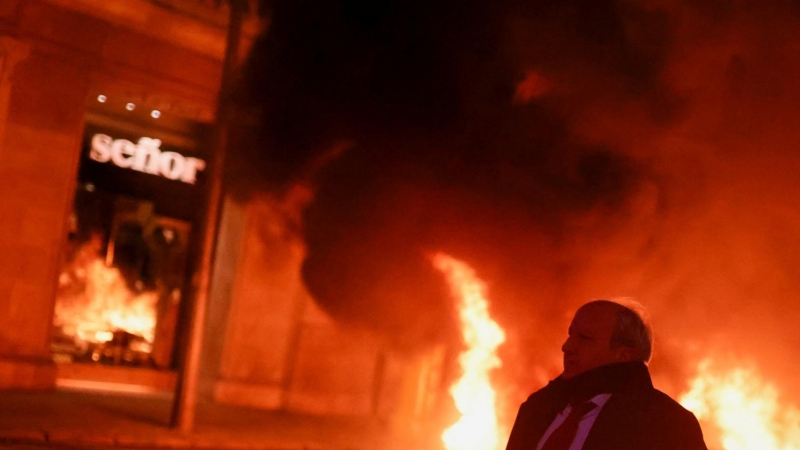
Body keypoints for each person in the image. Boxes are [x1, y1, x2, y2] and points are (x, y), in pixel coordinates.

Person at [505, 300, 707, 450]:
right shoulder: (536, 409)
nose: (567, 347)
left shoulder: (667, 424)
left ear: (624, 355)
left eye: (584, 338)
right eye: (570, 334)